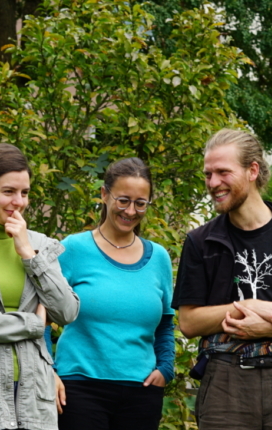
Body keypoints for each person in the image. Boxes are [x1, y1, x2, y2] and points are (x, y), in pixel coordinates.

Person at [173, 129, 272, 430]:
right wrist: (247, 307)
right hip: (224, 384)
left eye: (223, 172)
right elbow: (189, 322)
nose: (213, 183)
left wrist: (271, 326)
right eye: (208, 174)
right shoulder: (200, 242)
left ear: (252, 170)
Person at [0, 143, 79, 430]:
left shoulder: (38, 244)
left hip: (34, 398)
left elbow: (67, 311)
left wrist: (28, 255)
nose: (18, 202)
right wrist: (33, 324)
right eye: (8, 191)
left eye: (24, 193)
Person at [55, 157, 175, 430]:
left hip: (142, 392)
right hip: (80, 390)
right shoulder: (73, 249)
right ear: (104, 194)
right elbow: (39, 313)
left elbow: (166, 323)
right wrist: (48, 371)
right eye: (123, 200)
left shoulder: (159, 258)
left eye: (140, 203)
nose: (131, 211)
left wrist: (165, 369)